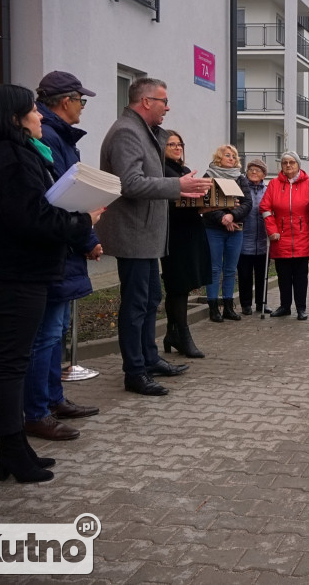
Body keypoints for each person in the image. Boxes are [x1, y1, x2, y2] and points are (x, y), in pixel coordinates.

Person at [0, 84, 102, 482]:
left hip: (14, 271)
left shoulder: (12, 152)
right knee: (9, 364)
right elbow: (33, 220)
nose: (40, 115)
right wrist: (84, 220)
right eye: (33, 110)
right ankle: (11, 450)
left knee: (13, 361)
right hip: (10, 273)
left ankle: (16, 447)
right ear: (14, 118)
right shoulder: (8, 158)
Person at [96, 78, 210, 396]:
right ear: (146, 101)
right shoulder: (127, 132)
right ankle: (135, 372)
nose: (167, 107)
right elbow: (130, 183)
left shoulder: (144, 132)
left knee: (150, 300)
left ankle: (149, 359)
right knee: (136, 304)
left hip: (146, 234)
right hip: (133, 233)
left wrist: (178, 185)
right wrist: (177, 186)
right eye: (163, 101)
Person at [23, 72, 101, 443]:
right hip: (57, 248)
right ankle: (37, 411)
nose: (83, 107)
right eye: (81, 100)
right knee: (46, 334)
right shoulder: (49, 137)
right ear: (65, 100)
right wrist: (88, 237)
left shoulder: (57, 135)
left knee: (54, 332)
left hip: (64, 246)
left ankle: (52, 399)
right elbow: (63, 199)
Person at [160, 131, 210, 358]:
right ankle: (181, 334)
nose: (177, 147)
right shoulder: (162, 171)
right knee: (177, 285)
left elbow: (193, 203)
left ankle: (172, 333)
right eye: (171, 144)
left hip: (191, 230)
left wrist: (211, 206)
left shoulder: (184, 170)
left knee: (183, 285)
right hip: (174, 233)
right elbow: (168, 203)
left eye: (179, 144)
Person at [260, 151, 309, 320]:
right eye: (284, 162)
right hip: (281, 237)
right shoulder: (274, 184)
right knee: (283, 276)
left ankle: (301, 308)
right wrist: (271, 230)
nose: (288, 165)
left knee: (301, 276)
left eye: (292, 162)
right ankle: (285, 306)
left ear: (298, 164)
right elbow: (265, 208)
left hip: (303, 236)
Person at [202, 145, 253, 322]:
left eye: (233, 156)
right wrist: (223, 218)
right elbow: (205, 203)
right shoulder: (209, 176)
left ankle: (229, 307)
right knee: (214, 269)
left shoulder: (240, 178)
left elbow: (247, 203)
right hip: (213, 229)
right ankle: (213, 308)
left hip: (235, 230)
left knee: (231, 269)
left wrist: (232, 216)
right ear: (219, 158)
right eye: (227, 155)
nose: (231, 158)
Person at [236, 159, 269, 315]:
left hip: (263, 241)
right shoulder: (241, 189)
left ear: (264, 175)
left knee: (262, 275)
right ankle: (246, 304)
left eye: (258, 170)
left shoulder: (268, 190)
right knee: (244, 275)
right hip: (244, 240)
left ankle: (261, 304)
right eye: (251, 169)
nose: (254, 172)